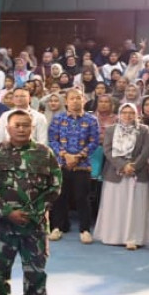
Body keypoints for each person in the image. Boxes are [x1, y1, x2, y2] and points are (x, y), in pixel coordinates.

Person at [0, 110, 62, 295]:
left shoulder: (44, 153)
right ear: (8, 128)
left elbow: (55, 186)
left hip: (34, 227)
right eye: (17, 125)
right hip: (2, 227)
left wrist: (33, 213)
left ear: (32, 128)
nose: (21, 129)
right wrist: (8, 212)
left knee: (36, 274)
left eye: (26, 125)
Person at [93, 102, 149, 250]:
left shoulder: (144, 130)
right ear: (119, 114)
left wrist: (133, 166)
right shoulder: (111, 130)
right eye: (124, 112)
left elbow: (146, 151)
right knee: (115, 206)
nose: (127, 115)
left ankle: (133, 238)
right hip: (115, 173)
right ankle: (113, 236)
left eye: (131, 113)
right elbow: (107, 150)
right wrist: (122, 165)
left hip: (137, 173)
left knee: (135, 207)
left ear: (136, 114)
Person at [48, 88, 100, 243]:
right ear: (66, 101)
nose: (75, 101)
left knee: (82, 198)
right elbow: (52, 140)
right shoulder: (58, 118)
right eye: (72, 98)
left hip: (82, 165)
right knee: (60, 197)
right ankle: (57, 228)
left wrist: (78, 156)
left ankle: (85, 230)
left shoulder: (91, 120)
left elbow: (94, 142)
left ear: (84, 100)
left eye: (78, 98)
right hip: (61, 164)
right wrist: (65, 155)